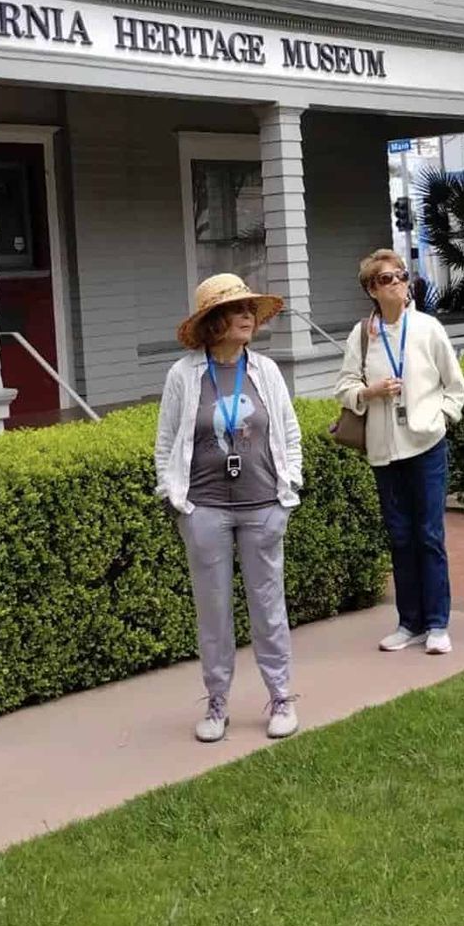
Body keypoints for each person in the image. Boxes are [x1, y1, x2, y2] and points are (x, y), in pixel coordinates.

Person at [155, 273, 303, 744]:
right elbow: (165, 443)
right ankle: (217, 702)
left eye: (250, 310)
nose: (247, 317)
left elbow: (290, 433)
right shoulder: (183, 375)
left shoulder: (266, 371)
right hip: (206, 511)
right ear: (214, 321)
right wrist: (178, 501)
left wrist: (289, 488)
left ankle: (281, 697)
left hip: (263, 507)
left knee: (268, 607)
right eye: (237, 310)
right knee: (213, 612)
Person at [335, 249, 464, 654]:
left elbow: (455, 385)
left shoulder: (428, 328)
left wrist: (441, 418)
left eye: (401, 276)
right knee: (400, 535)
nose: (397, 284)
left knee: (429, 535)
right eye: (386, 279)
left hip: (426, 443)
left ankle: (437, 624)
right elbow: (343, 387)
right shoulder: (362, 336)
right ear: (371, 290)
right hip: (383, 449)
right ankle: (409, 623)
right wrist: (369, 393)